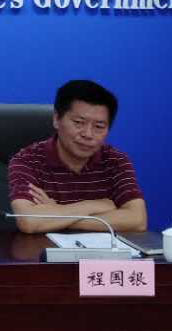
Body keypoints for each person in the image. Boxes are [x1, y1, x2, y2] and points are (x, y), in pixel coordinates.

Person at [8, 79, 147, 234]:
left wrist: (57, 214)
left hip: (99, 250)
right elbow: (28, 221)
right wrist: (94, 205)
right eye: (79, 122)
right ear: (56, 119)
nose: (88, 134)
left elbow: (137, 220)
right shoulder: (27, 160)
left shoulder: (115, 161)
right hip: (43, 249)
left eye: (99, 126)